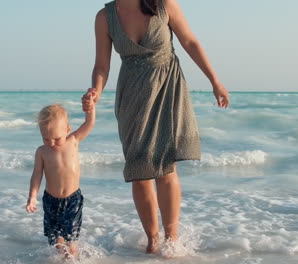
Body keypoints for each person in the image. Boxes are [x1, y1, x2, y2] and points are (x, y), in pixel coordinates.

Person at [82, 0, 230, 254]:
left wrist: (215, 81)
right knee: (139, 172)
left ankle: (171, 240)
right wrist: (95, 90)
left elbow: (190, 43)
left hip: (167, 91)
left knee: (165, 168)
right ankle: (152, 240)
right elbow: (101, 65)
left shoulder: (163, 5)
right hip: (132, 98)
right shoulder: (105, 17)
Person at [25, 98, 95, 257]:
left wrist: (90, 109)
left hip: (72, 199)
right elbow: (36, 175)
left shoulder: (73, 140)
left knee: (71, 236)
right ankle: (62, 258)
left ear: (67, 129)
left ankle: (73, 257)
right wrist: (32, 196)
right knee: (56, 238)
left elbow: (89, 124)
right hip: (51, 201)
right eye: (46, 138)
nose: (51, 143)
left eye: (56, 138)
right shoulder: (42, 152)